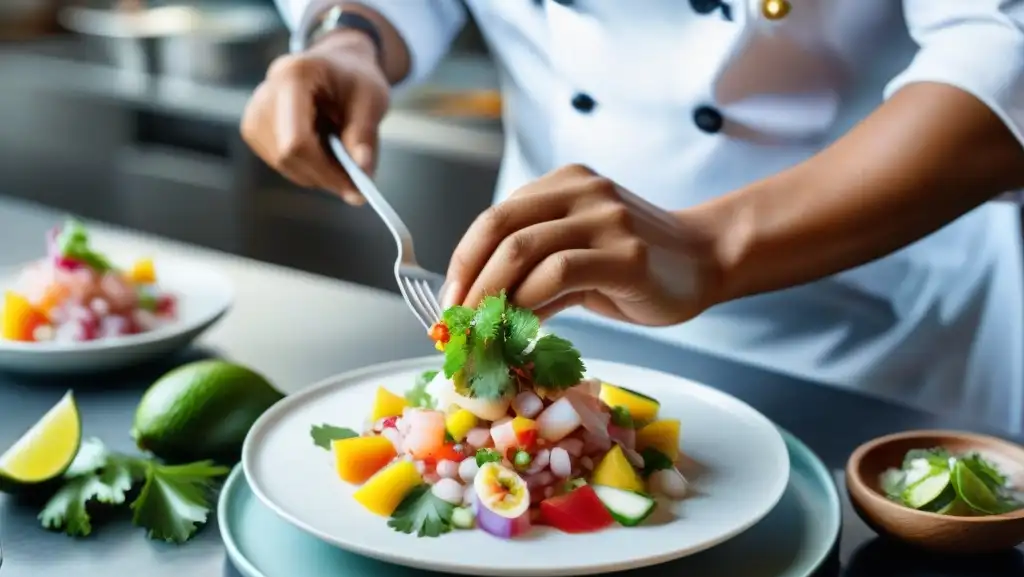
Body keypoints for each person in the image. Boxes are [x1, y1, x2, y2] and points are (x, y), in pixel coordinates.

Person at [244, 1, 1024, 432]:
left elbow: (1001, 53)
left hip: (874, 348)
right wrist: (352, 33)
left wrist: (713, 246)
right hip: (553, 315)